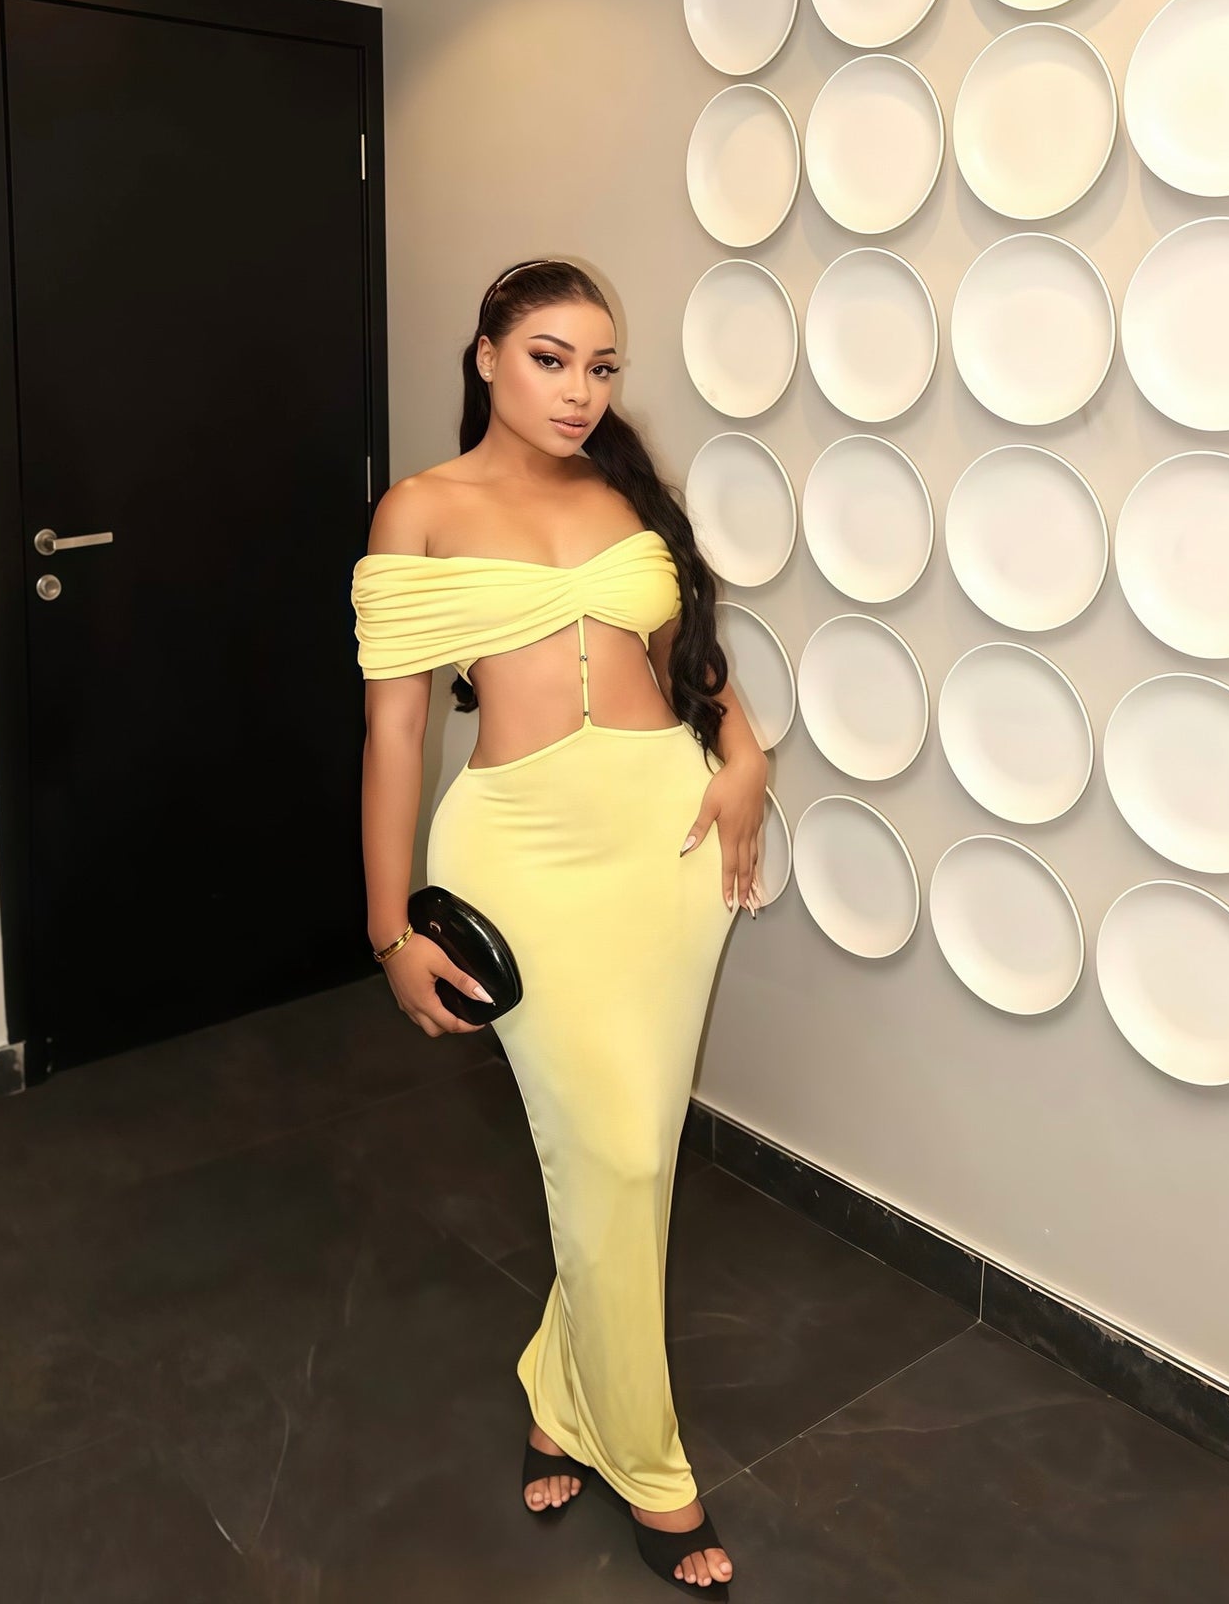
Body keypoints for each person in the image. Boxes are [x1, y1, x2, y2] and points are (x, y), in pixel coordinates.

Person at [351, 257, 766, 1595]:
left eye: (600, 366)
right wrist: (389, 929)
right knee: (619, 1156)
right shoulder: (421, 510)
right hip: (521, 854)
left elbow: (689, 657)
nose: (580, 391)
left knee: (628, 1152)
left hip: (665, 842)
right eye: (549, 359)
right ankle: (650, 1465)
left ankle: (560, 1392)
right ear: (485, 357)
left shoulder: (624, 496)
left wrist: (746, 757)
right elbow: (397, 730)